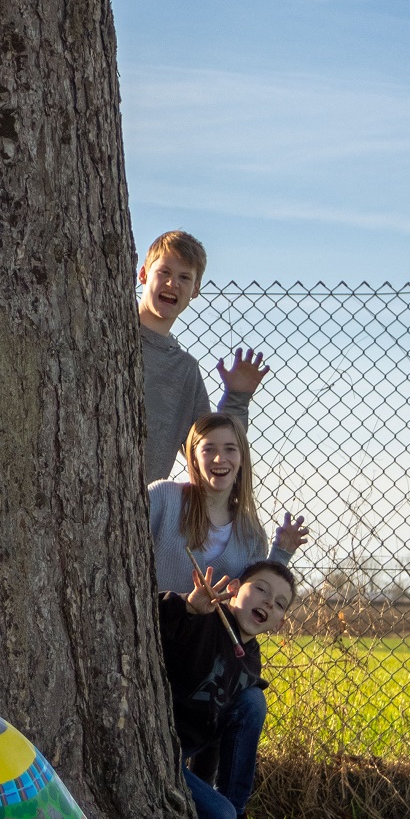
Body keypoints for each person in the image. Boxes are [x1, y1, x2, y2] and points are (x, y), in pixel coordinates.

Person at [158, 558, 298, 819]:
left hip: (181, 762)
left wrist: (205, 782)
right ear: (233, 589)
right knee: (219, 818)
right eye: (260, 589)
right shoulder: (205, 617)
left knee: (253, 699)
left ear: (281, 621)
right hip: (154, 751)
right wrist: (188, 606)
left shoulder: (250, 658)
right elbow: (153, 618)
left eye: (279, 603)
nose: (268, 602)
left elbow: (218, 730)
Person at [138, 229, 270, 484]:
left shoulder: (184, 371)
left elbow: (211, 449)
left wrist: (237, 399)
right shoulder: (107, 336)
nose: (172, 283)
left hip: (134, 508)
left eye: (184, 277)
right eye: (164, 272)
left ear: (195, 289)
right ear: (143, 274)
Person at [149, 412, 308, 594]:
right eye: (208, 449)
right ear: (193, 457)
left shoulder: (251, 534)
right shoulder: (164, 498)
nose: (219, 459)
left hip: (211, 624)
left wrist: (280, 554)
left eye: (230, 449)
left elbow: (249, 602)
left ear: (242, 458)